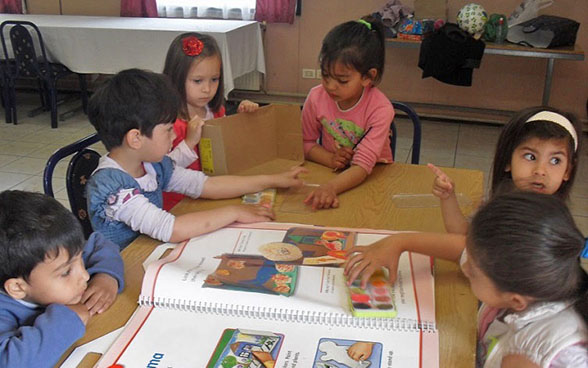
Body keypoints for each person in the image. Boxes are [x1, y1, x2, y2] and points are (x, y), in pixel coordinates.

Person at [345, 192, 587, 367]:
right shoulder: (538, 276)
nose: (465, 266)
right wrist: (399, 242)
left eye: (472, 271)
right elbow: (461, 249)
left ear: (515, 300)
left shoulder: (527, 357)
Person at [86, 68, 305, 250]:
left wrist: (272, 180)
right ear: (136, 138)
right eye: (169, 130)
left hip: (148, 252)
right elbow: (172, 229)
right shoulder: (113, 188)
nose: (174, 136)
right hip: (119, 270)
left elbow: (205, 184)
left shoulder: (151, 164)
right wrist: (234, 212)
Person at [0, 190, 124, 367]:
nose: (85, 275)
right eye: (66, 272)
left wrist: (106, 275)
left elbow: (101, 244)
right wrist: (66, 319)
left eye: (80, 258)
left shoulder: (56, 253)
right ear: (18, 288)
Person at [429, 106, 581, 234]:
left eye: (555, 160)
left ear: (567, 171)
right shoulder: (498, 205)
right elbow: (464, 235)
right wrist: (448, 197)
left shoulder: (556, 226)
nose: (540, 171)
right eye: (530, 156)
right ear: (508, 159)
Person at [302, 16, 394, 210]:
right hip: (332, 173)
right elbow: (305, 142)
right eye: (325, 75)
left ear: (368, 77)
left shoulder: (380, 109)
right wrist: (330, 159)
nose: (330, 86)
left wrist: (331, 187)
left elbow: (363, 165)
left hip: (373, 176)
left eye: (342, 81)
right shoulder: (316, 97)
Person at [162, 32, 259, 210]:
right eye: (197, 81)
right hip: (177, 206)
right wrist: (189, 142)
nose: (207, 89)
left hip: (212, 196)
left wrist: (240, 119)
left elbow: (226, 151)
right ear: (176, 78)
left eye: (214, 79)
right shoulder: (167, 124)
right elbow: (161, 172)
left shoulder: (215, 111)